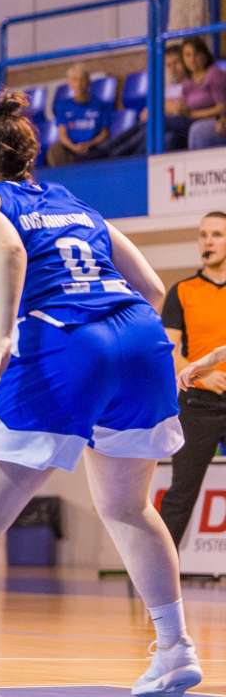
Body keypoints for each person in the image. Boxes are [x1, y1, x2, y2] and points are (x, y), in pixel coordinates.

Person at [0, 92, 200, 697]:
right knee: (128, 508)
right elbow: (152, 288)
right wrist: (128, 352)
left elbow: (9, 249)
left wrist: (4, 334)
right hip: (139, 340)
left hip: (65, 340)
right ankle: (175, 650)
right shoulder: (75, 205)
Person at [159, 212, 226, 549]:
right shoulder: (182, 291)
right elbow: (169, 349)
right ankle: (155, 572)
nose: (208, 241)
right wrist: (206, 375)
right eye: (203, 235)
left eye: (217, 234)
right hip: (198, 404)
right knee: (181, 494)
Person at [46, 64, 111, 166]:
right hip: (71, 148)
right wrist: (74, 147)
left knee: (106, 147)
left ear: (88, 82)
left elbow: (104, 133)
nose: (79, 84)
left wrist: (89, 144)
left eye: (82, 80)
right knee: (55, 150)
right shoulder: (63, 106)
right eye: (75, 80)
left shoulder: (100, 105)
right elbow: (62, 135)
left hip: (94, 147)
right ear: (69, 83)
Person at [179, 37, 226, 150]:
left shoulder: (214, 74)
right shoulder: (187, 81)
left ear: (205, 55)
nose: (192, 59)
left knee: (197, 130)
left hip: (213, 120)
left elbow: (222, 108)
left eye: (196, 54)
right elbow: (184, 107)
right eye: (188, 55)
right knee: (167, 136)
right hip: (189, 120)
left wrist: (193, 114)